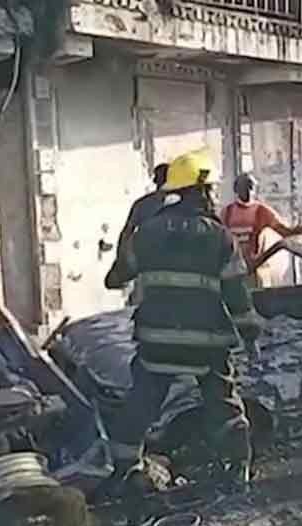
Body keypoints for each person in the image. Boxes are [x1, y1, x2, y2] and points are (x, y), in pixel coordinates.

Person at [104, 149, 263, 489]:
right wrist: (250, 333)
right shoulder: (219, 236)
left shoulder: (147, 232)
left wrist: (129, 231)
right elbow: (237, 295)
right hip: (206, 346)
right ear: (203, 190)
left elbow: (115, 278)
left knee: (141, 406)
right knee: (224, 406)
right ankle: (237, 471)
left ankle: (124, 469)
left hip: (156, 343)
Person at [219, 173, 302, 287]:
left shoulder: (262, 211)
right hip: (233, 271)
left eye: (251, 187)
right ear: (236, 189)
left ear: (255, 189)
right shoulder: (227, 212)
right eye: (244, 187)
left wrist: (297, 231)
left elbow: (283, 231)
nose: (248, 191)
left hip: (254, 270)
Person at [105, 163, 169, 292]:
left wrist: (122, 265)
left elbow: (126, 234)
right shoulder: (181, 203)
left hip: (145, 270)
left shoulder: (142, 204)